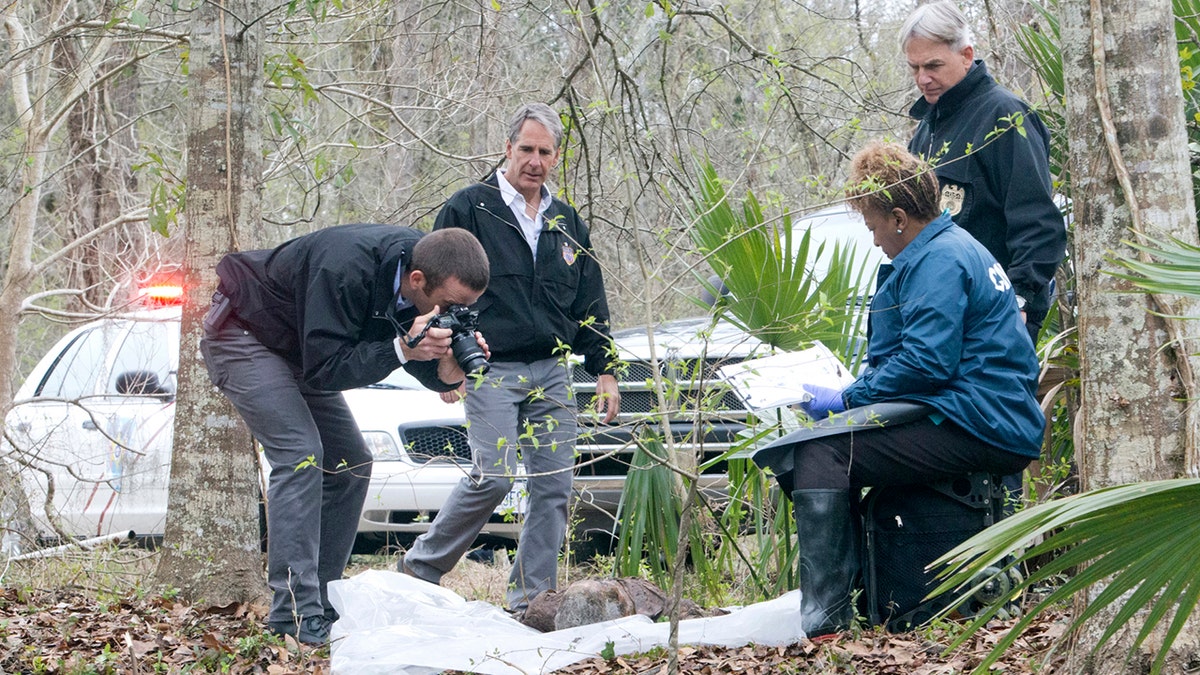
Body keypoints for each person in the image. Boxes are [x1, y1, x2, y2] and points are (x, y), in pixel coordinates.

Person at [776, 142, 1045, 637]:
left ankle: (828, 625)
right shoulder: (953, 247)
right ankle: (858, 598)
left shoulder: (940, 260)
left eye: (873, 225)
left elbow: (927, 362)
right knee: (825, 449)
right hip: (977, 413)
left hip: (980, 423)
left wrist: (849, 399)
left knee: (820, 454)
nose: (874, 239)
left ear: (899, 218)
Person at [200, 224, 491, 644]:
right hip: (245, 335)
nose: (450, 314)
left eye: (464, 310)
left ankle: (321, 600)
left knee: (351, 462)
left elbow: (417, 356)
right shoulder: (345, 267)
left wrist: (449, 367)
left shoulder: (425, 274)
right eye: (448, 306)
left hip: (299, 350)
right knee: (301, 454)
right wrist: (401, 349)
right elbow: (327, 367)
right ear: (417, 281)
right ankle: (294, 614)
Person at [402, 103, 621, 613]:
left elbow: (591, 302)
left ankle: (530, 602)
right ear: (507, 148)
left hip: (552, 371)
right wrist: (444, 363)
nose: (535, 161)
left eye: (545, 152)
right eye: (526, 149)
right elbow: (437, 288)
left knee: (554, 486)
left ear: (556, 156)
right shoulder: (469, 208)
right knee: (493, 476)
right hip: (490, 367)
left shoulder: (566, 222)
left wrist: (605, 368)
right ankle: (418, 571)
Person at [901, 0, 1066, 342]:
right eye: (914, 67)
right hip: (940, 308)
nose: (923, 79)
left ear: (966, 54)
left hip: (996, 312)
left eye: (933, 65)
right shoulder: (926, 129)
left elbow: (1037, 221)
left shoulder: (1005, 117)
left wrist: (1019, 299)